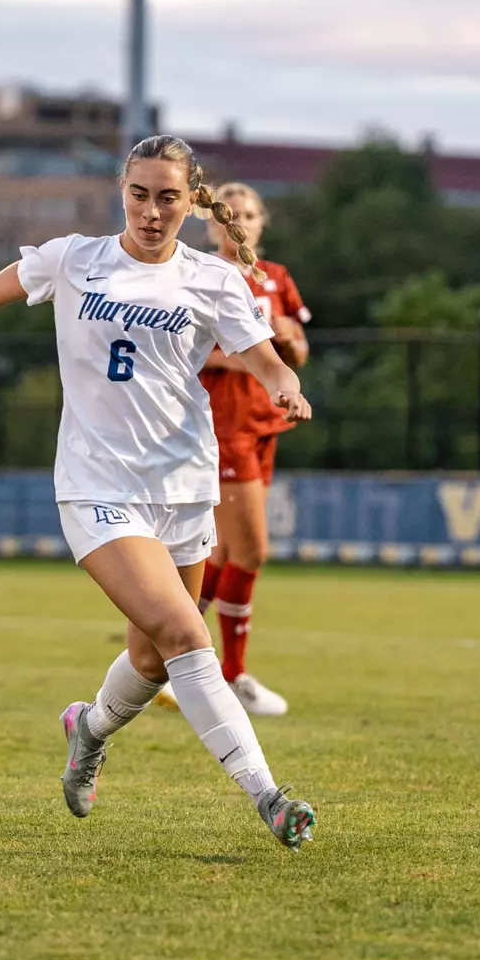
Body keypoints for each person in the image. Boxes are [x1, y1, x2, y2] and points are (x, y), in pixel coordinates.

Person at [0, 134, 316, 851]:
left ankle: (89, 729)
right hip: (96, 486)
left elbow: (265, 359)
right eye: (138, 194)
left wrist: (286, 387)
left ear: (189, 200)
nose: (150, 210)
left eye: (167, 197)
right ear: (122, 191)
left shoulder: (213, 279)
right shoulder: (74, 258)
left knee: (149, 656)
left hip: (184, 486)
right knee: (185, 635)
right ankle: (268, 795)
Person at [154, 182, 309, 717]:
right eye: (228, 216)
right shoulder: (201, 276)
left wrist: (286, 341)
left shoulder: (277, 279)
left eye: (247, 214)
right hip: (225, 428)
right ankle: (228, 671)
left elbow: (299, 352)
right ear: (212, 224)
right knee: (252, 552)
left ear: (261, 221)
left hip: (267, 424)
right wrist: (260, 351)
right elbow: (204, 355)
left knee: (221, 555)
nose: (237, 223)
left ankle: (171, 656)